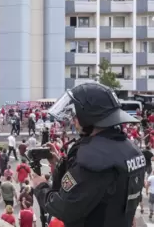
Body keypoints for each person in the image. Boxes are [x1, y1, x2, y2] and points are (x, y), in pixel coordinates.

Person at [33, 82, 146, 227]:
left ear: (88, 116)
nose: (73, 119)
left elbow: (64, 208)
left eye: (76, 114)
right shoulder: (131, 150)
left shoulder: (95, 159)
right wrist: (60, 165)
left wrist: (40, 186)